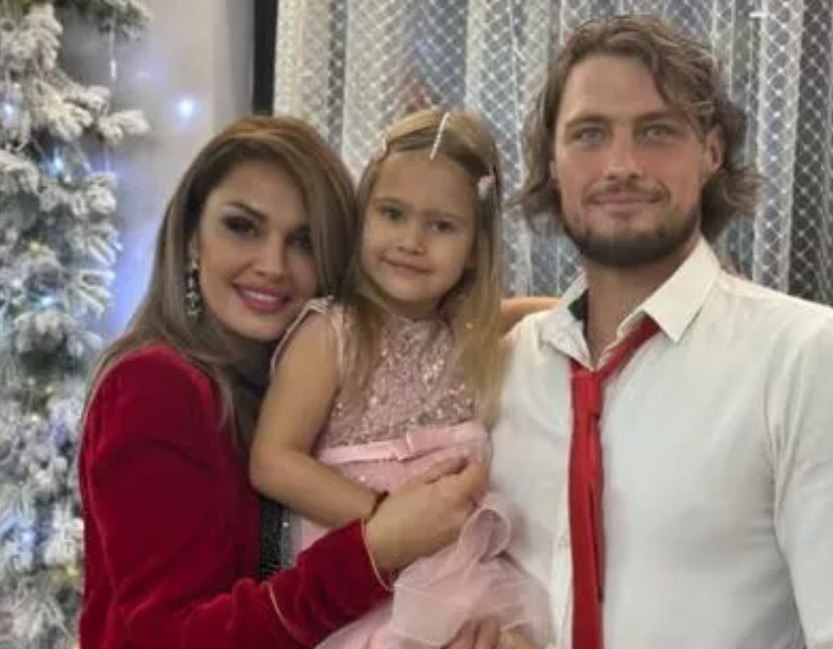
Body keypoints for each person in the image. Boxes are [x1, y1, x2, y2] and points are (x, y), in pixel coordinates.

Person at [79, 115, 506, 649]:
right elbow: (170, 639)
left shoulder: (276, 378)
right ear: (191, 237)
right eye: (242, 227)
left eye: (303, 241)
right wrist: (377, 543)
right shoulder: (154, 387)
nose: (273, 264)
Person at [491, 14, 833, 649]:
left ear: (711, 152)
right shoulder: (508, 367)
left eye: (656, 131)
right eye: (589, 134)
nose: (621, 165)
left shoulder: (805, 358)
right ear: (553, 162)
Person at [250, 109, 552, 649]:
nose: (411, 240)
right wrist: (384, 519)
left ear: (474, 249)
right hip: (367, 573)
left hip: (456, 573)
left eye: (441, 226)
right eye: (392, 214)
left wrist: (592, 308)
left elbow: (523, 313)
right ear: (363, 214)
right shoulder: (333, 333)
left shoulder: (464, 335)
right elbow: (272, 460)